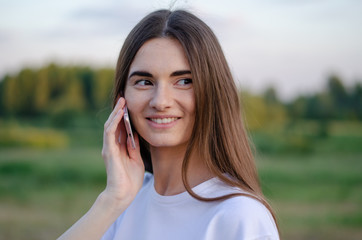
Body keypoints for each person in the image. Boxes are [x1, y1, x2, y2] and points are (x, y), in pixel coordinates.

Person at [58, 9, 280, 240]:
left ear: (214, 92)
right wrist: (112, 200)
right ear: (121, 99)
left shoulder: (239, 216)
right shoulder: (124, 201)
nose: (160, 101)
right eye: (144, 82)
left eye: (184, 81)